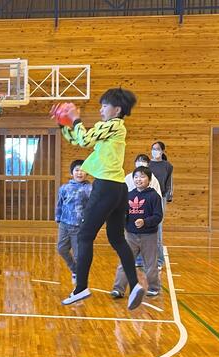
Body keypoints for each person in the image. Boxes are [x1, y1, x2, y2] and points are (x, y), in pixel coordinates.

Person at [51, 87, 145, 310]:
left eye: (104, 105)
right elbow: (77, 139)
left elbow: (83, 139)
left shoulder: (113, 125)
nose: (101, 109)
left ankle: (80, 287)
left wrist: (75, 117)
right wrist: (62, 123)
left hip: (105, 187)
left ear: (117, 109)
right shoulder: (111, 129)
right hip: (119, 188)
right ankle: (134, 285)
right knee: (116, 238)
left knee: (84, 236)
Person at [111, 166, 163, 298]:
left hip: (149, 235)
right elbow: (124, 214)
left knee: (150, 263)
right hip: (131, 235)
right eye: (136, 177)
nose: (139, 179)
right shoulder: (129, 195)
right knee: (125, 262)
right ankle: (119, 289)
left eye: (142, 176)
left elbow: (158, 216)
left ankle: (153, 287)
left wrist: (145, 222)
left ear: (149, 180)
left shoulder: (154, 196)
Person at [55, 159, 92, 285]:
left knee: (78, 255)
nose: (79, 173)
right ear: (72, 172)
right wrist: (58, 218)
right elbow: (59, 204)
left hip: (79, 227)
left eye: (83, 170)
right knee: (61, 249)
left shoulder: (89, 189)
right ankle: (74, 269)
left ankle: (81, 281)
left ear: (87, 173)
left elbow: (92, 207)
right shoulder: (64, 188)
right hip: (64, 225)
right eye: (77, 170)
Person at [149, 141, 173, 268]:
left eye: (157, 149)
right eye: (153, 149)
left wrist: (169, 197)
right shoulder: (147, 165)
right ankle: (143, 259)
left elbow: (169, 183)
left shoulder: (167, 166)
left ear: (162, 151)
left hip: (160, 198)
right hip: (147, 197)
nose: (155, 151)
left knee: (158, 229)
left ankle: (159, 261)